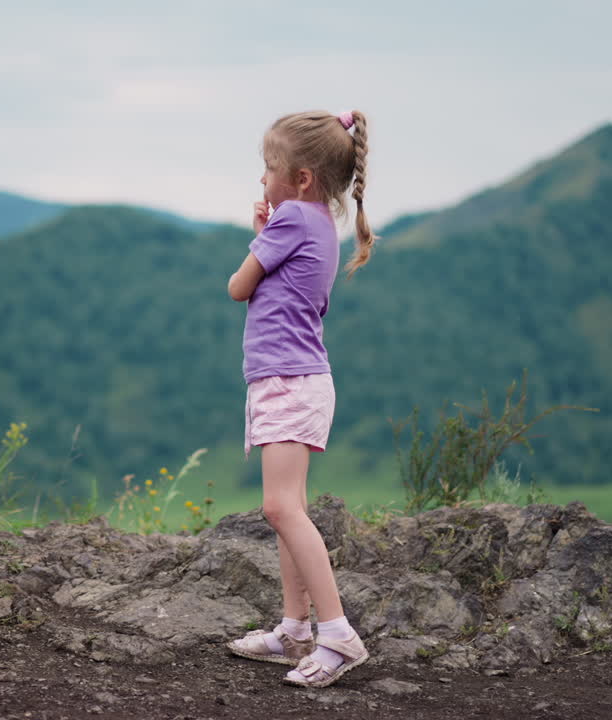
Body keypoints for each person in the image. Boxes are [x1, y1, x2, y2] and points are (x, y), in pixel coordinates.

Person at [224, 109, 374, 688]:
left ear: (302, 178)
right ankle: (293, 628)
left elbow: (239, 286)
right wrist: (268, 231)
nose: (263, 179)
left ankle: (336, 633)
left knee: (279, 509)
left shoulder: (290, 218)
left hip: (288, 381)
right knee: (291, 511)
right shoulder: (316, 223)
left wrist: (260, 233)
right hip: (294, 380)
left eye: (269, 168)